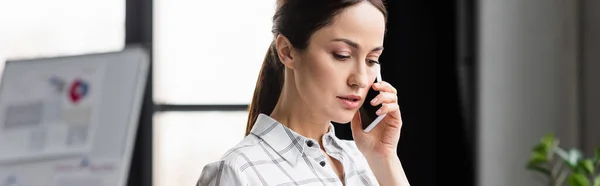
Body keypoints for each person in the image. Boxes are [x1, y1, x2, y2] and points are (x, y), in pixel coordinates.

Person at [197, 0, 410, 185]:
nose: (361, 80)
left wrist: (385, 159)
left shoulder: (365, 160)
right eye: (342, 55)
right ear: (287, 52)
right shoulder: (237, 173)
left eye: (371, 60)